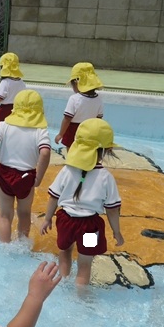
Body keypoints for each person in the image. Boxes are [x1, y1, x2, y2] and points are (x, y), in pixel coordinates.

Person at [40, 118, 124, 286]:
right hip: (89, 227)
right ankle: (80, 295)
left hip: (66, 222)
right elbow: (112, 209)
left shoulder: (67, 170)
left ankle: (62, 285)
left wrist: (47, 218)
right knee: (85, 264)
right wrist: (117, 232)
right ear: (106, 150)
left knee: (65, 253)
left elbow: (54, 197)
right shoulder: (105, 177)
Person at [0, 89, 51, 243]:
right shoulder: (40, 131)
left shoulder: (5, 125)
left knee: (5, 215)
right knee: (24, 213)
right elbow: (45, 152)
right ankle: (23, 244)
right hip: (26, 176)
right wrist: (39, 178)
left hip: (5, 173)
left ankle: (4, 247)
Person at [55, 62, 104, 149]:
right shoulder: (99, 99)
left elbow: (67, 119)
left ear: (76, 82)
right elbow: (98, 119)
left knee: (71, 152)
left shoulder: (74, 99)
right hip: (89, 131)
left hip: (73, 130)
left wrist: (60, 134)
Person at [0, 52, 27, 126]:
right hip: (17, 110)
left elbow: (0, 97)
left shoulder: (5, 82)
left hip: (4, 110)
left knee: (0, 129)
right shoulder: (21, 82)